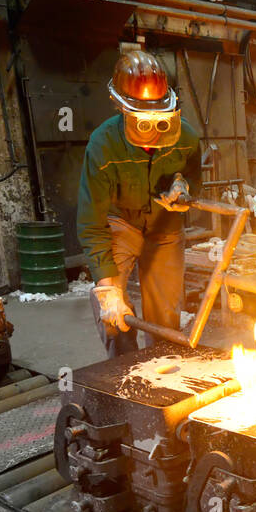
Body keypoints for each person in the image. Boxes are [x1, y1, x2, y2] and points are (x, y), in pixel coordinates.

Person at [77, 49, 201, 357]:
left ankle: (165, 372)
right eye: (142, 123)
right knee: (114, 313)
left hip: (166, 224)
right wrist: (107, 289)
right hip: (121, 222)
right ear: (121, 108)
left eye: (161, 122)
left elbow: (193, 175)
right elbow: (91, 224)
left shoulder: (186, 137)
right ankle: (124, 371)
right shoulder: (103, 145)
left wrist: (182, 185)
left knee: (166, 313)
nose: (153, 136)